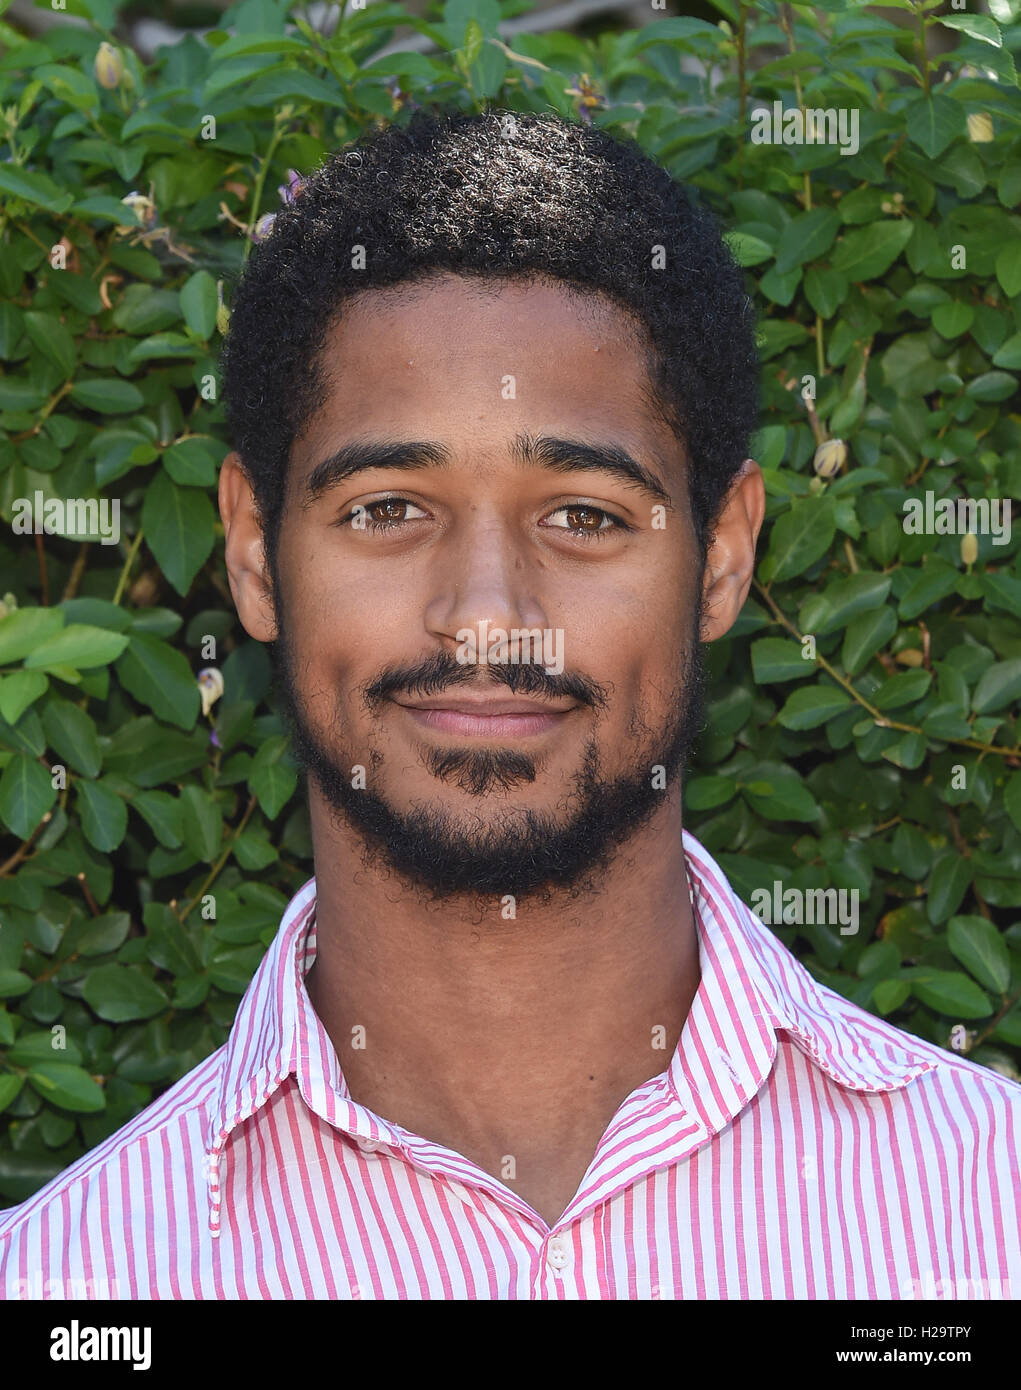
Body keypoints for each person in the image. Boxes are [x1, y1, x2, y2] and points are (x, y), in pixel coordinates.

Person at [1, 108, 1017, 1300]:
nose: (486, 613)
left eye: (582, 513)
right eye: (387, 507)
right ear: (254, 554)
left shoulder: (987, 1210)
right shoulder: (72, 1283)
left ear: (725, 557)